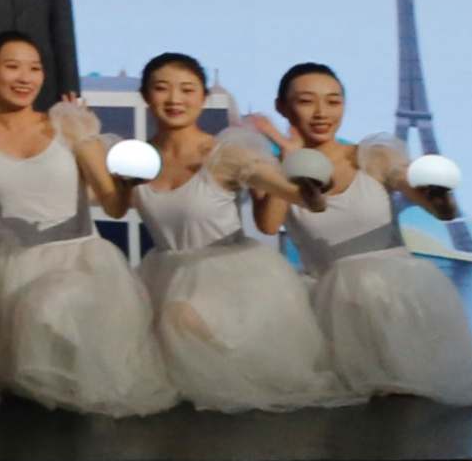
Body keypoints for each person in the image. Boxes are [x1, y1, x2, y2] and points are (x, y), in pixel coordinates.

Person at [256, 63, 472, 406]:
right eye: (307, 101)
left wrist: (440, 198)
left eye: (333, 101)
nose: (322, 113)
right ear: (282, 107)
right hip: (331, 307)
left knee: (409, 399)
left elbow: (438, 208)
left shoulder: (372, 157)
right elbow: (267, 224)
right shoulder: (271, 170)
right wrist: (290, 161)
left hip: (395, 298)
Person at [0, 31, 176, 415]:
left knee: (54, 313)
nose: (26, 78)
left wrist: (127, 183)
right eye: (12, 66)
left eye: (35, 68)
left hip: (79, 262)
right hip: (6, 269)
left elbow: (114, 206)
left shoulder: (69, 125)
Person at [117, 51, 353, 412]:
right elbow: (114, 206)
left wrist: (308, 186)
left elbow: (292, 193)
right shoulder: (134, 159)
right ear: (146, 96)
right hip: (163, 275)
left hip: (228, 281)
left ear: (203, 98)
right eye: (162, 88)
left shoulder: (225, 154)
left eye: (187, 89)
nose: (175, 99)